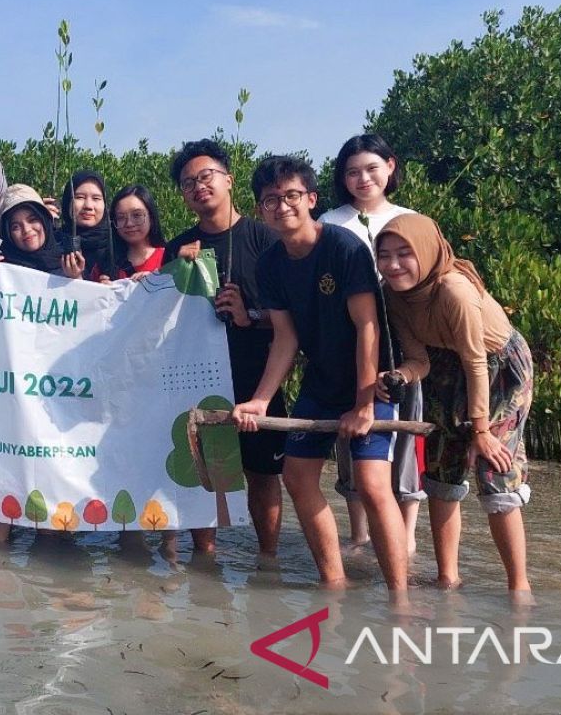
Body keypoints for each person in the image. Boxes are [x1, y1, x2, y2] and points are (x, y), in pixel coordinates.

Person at [232, 156, 408, 594]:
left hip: (371, 380)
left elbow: (368, 326)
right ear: (260, 210)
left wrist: (365, 402)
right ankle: (334, 582)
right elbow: (286, 338)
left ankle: (400, 595)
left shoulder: (344, 248)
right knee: (296, 476)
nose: (282, 206)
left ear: (311, 199)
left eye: (291, 196)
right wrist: (259, 399)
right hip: (321, 381)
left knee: (371, 485)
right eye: (270, 200)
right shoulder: (269, 263)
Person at [375, 214, 533, 592]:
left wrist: (481, 430)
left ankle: (519, 587)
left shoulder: (454, 290)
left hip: (496, 367)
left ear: (427, 252)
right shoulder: (391, 294)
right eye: (384, 255)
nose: (393, 265)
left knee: (496, 473)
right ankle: (448, 577)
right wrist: (397, 376)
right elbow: (420, 361)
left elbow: (476, 362)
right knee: (441, 472)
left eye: (404, 254)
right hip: (444, 364)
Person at [163, 140, 285, 562]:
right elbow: (158, 316)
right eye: (187, 183)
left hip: (258, 374)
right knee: (206, 470)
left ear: (228, 180)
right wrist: (175, 268)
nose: (198, 187)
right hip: (199, 376)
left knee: (263, 474)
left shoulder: (266, 239)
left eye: (206, 176)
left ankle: (267, 562)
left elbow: (293, 318)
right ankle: (206, 563)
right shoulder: (179, 247)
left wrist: (249, 314)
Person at [320, 134, 424, 554]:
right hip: (352, 345)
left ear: (390, 167)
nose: (362, 179)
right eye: (352, 172)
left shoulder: (410, 219)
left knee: (406, 440)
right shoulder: (329, 221)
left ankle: (410, 535)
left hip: (405, 343)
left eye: (371, 169)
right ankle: (360, 532)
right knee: (353, 440)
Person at [0, 184, 82, 545]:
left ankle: (54, 537)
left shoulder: (70, 262)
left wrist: (77, 284)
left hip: (57, 388)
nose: (26, 230)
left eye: (32, 220)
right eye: (15, 225)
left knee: (53, 462)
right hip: (9, 385)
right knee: (4, 458)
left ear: (45, 219)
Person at [94, 184, 165, 281]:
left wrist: (156, 282)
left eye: (136, 215)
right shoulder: (104, 264)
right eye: (121, 217)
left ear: (151, 217)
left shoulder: (169, 258)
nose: (129, 224)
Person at [57, 170, 111, 280]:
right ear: (67, 202)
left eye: (96, 198)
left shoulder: (118, 243)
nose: (88, 206)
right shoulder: (53, 242)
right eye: (80, 197)